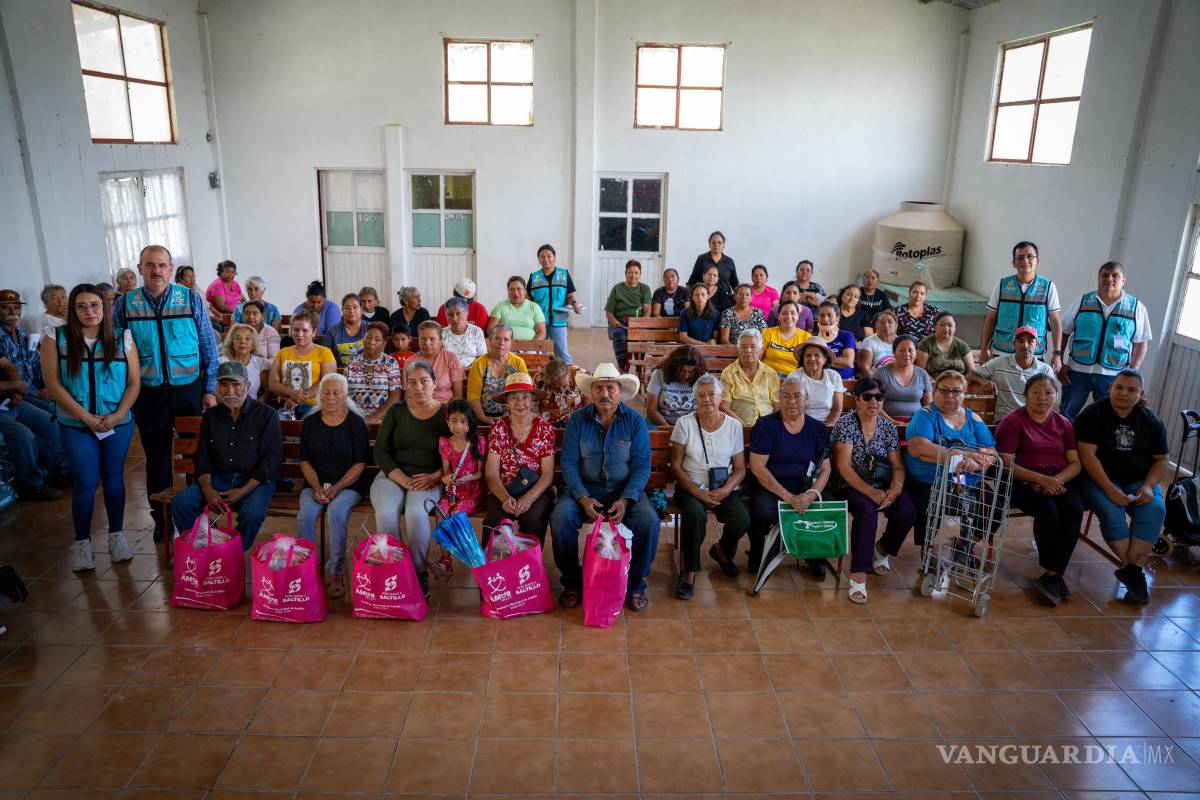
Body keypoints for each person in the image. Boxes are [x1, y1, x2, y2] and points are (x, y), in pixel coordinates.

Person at [114, 245, 220, 540]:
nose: (156, 270)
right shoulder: (125, 305)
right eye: (150, 265)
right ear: (140, 268)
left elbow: (208, 347)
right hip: (149, 394)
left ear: (171, 269)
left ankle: (197, 518)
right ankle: (161, 521)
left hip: (188, 390)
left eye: (162, 265)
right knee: (157, 458)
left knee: (195, 457)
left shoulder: (189, 298)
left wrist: (209, 389)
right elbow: (118, 352)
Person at [39, 284, 140, 569]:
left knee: (114, 479)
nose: (89, 311)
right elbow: (53, 384)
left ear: (105, 307)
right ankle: (82, 543)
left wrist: (119, 414)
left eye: (95, 305)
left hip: (116, 422)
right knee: (84, 482)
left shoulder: (122, 337)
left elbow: (134, 382)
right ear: (72, 310)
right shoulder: (55, 337)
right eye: (81, 306)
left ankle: (116, 536)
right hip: (76, 423)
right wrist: (84, 416)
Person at [551, 364, 658, 612]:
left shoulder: (635, 422)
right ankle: (572, 582)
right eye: (599, 388)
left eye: (611, 388)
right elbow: (568, 463)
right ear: (592, 392)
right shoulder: (578, 420)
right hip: (586, 490)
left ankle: (635, 583)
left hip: (624, 491)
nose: (605, 393)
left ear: (620, 391)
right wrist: (582, 498)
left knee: (648, 521)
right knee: (560, 518)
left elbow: (642, 465)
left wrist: (627, 499)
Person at [881, 370, 996, 570]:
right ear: (935, 391)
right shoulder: (925, 415)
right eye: (945, 391)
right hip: (927, 481)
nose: (950, 396)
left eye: (957, 392)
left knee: (994, 503)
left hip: (966, 482)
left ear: (964, 394)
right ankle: (928, 553)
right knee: (929, 504)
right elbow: (918, 448)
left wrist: (977, 463)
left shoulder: (972, 418)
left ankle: (963, 544)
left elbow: (990, 450)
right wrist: (964, 455)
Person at [1075, 369, 1169, 603]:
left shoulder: (1150, 420)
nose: (1124, 393)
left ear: (1141, 394)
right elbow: (1087, 455)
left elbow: (1161, 460)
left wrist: (1148, 486)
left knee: (1155, 508)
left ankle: (1132, 572)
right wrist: (1109, 488)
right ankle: (1133, 570)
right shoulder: (1094, 414)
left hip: (1138, 480)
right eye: (1119, 387)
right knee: (1111, 510)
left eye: (1131, 389)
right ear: (1110, 388)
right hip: (1099, 479)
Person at [169, 361, 281, 550]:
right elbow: (202, 457)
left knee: (252, 513)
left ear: (247, 385)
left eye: (236, 385)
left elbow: (271, 462)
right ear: (217, 387)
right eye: (224, 385)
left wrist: (242, 491)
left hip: (255, 482)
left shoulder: (266, 415)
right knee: (181, 503)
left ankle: (232, 552)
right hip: (220, 480)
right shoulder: (211, 416)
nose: (230, 391)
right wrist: (208, 490)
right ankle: (209, 543)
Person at [995, 374, 1083, 605]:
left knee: (1073, 510)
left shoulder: (1064, 423)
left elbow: (1075, 463)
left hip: (1059, 481)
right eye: (1036, 392)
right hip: (1022, 482)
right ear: (1026, 395)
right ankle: (1054, 574)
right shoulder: (1013, 422)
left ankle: (1052, 575)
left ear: (1056, 396)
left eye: (1048, 392)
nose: (1042, 397)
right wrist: (1040, 479)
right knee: (1048, 511)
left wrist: (1055, 481)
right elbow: (1005, 463)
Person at [371, 360, 450, 598]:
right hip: (393, 475)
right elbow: (381, 451)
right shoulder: (397, 411)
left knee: (416, 514)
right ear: (406, 385)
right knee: (385, 512)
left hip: (428, 479)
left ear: (435, 383)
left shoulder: (446, 414)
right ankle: (394, 568)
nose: (418, 387)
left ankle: (418, 572)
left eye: (424, 381)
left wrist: (436, 476)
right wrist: (402, 479)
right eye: (412, 382)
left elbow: (455, 454)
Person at [830, 377, 914, 603]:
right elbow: (843, 466)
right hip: (847, 485)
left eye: (878, 397)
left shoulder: (887, 427)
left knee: (906, 510)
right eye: (867, 397)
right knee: (867, 513)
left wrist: (895, 490)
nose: (873, 401)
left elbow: (897, 465)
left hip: (881, 483)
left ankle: (882, 549)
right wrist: (871, 492)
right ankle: (858, 576)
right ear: (857, 400)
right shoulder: (845, 424)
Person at [670, 375, 749, 598]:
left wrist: (725, 490)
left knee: (741, 518)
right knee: (695, 514)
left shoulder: (733, 426)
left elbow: (740, 469)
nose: (707, 400)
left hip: (723, 488)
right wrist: (697, 492)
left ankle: (722, 551)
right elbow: (676, 466)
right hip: (690, 487)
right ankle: (690, 571)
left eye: (711, 394)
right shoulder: (685, 423)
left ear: (720, 397)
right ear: (695, 398)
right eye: (701, 395)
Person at [748, 376, 832, 577]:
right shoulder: (767, 426)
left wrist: (810, 495)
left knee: (826, 502)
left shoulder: (817, 429)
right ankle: (759, 552)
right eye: (786, 397)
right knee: (762, 508)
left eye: (797, 397)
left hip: (806, 487)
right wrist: (790, 498)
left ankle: (814, 554)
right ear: (779, 399)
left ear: (806, 399)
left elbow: (826, 469)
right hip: (772, 486)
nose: (792, 402)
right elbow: (758, 467)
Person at [297, 372, 368, 599]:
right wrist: (317, 487)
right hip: (315, 484)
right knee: (306, 515)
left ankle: (336, 571)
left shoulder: (356, 423)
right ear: (320, 395)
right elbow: (305, 461)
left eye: (336, 392)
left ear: (345, 394)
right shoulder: (310, 423)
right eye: (326, 392)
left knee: (336, 514)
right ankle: (305, 569)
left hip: (347, 486)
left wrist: (335, 488)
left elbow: (359, 464)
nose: (331, 397)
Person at [1059, 261, 1152, 420]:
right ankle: (1064, 444)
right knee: (1067, 414)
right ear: (1098, 279)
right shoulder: (1082, 302)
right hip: (1077, 371)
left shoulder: (1136, 307)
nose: (1109, 279)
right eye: (1105, 275)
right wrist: (1059, 361)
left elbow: (1141, 341)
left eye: (1115, 276)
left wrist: (1132, 371)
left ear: (1123, 281)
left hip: (1114, 375)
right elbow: (1064, 331)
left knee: (1108, 417)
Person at [484, 373, 557, 543]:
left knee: (533, 518)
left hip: (536, 490)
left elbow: (547, 473)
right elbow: (491, 473)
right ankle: (495, 566)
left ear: (532, 400)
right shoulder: (499, 429)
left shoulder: (544, 429)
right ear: (507, 402)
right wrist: (504, 497)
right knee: (495, 519)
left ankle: (528, 566)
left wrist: (528, 498)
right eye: (514, 398)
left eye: (525, 397)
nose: (520, 402)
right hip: (504, 488)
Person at [979, 241, 1063, 370]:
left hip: (1033, 353)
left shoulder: (1048, 287)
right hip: (1002, 352)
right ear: (1014, 263)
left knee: (1031, 389)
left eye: (1030, 256)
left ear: (1037, 261)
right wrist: (984, 349)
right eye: (1020, 257)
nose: (1025, 260)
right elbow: (990, 319)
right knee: (999, 389)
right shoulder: (1002, 285)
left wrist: (1057, 354)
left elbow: (1056, 321)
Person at [0, 353, 64, 500]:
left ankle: (58, 470)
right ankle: (32, 484)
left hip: (12, 401)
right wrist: (14, 386)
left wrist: (16, 390)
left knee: (50, 421)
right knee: (23, 434)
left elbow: (7, 365)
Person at [968, 325, 1054, 422]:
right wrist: (983, 381)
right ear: (1014, 344)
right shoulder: (999, 363)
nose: (1025, 345)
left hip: (1032, 422)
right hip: (1005, 420)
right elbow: (970, 375)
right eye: (1021, 341)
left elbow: (1050, 400)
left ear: (1037, 345)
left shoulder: (1046, 370)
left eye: (1030, 341)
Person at [269, 311, 335, 418]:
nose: (300, 334)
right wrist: (291, 393)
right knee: (276, 423)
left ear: (313, 332)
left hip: (314, 405)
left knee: (309, 426)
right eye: (296, 330)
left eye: (305, 330)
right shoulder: (282, 352)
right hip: (287, 405)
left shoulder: (324, 352)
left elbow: (327, 381)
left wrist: (299, 398)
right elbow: (273, 384)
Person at [527, 244, 580, 363]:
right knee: (539, 353)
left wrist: (575, 304)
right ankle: (540, 378)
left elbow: (570, 295)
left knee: (562, 354)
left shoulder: (564, 274)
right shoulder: (534, 277)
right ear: (538, 259)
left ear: (554, 257)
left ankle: (567, 378)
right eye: (542, 257)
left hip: (559, 320)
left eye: (549, 256)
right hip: (539, 322)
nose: (546, 259)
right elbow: (528, 299)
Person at [0, 289, 51, 410]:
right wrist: (37, 393)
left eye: (17, 307)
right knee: (51, 413)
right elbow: (8, 373)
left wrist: (46, 387)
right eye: (5, 308)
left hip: (36, 390)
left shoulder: (24, 334)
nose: (13, 312)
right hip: (14, 395)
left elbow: (37, 362)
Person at [344, 321, 402, 424]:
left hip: (381, 418)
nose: (372, 342)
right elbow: (344, 394)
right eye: (369, 337)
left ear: (384, 343)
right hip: (353, 417)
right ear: (363, 339)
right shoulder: (352, 363)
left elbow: (395, 397)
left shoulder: (390, 363)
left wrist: (374, 417)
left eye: (377, 339)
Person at [467, 324, 528, 420]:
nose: (501, 343)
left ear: (511, 343)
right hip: (482, 415)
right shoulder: (479, 364)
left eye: (506, 339)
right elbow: (473, 396)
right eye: (497, 338)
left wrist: (509, 415)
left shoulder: (518, 363)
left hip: (513, 415)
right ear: (490, 340)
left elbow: (524, 393)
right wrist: (483, 418)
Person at [720, 329, 779, 426]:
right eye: (743, 347)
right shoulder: (728, 373)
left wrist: (771, 425)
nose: (748, 350)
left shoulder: (771, 374)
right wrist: (742, 426)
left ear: (760, 350)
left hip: (768, 426)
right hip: (739, 426)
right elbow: (724, 407)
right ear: (738, 350)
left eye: (753, 347)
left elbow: (777, 405)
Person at [438, 399, 487, 516]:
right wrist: (446, 479)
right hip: (452, 492)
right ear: (447, 422)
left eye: (463, 421)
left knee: (456, 515)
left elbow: (481, 473)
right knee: (440, 511)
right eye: (453, 421)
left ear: (470, 422)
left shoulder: (479, 442)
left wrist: (469, 478)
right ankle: (443, 535)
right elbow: (446, 472)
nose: (458, 426)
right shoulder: (444, 442)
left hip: (472, 493)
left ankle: (456, 535)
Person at [604, 259, 652, 370]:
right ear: (625, 273)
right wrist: (615, 322)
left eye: (636, 273)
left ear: (640, 275)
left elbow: (647, 310)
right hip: (619, 324)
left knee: (641, 338)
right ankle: (623, 367)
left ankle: (640, 367)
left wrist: (641, 324)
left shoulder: (644, 289)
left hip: (638, 324)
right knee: (619, 336)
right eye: (630, 272)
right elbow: (609, 312)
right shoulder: (617, 288)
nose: (633, 275)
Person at [873, 336, 932, 423]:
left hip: (917, 423)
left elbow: (928, 406)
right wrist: (893, 422)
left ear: (916, 353)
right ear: (894, 352)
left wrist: (917, 422)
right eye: (902, 350)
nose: (907, 354)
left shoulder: (922, 374)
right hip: (885, 422)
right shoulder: (881, 373)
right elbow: (875, 404)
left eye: (910, 350)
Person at [646, 345, 706, 429]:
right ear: (674, 367)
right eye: (682, 370)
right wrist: (668, 428)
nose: (686, 375)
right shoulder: (659, 373)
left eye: (691, 372)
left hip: (692, 425)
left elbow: (707, 409)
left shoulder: (702, 377)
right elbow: (651, 410)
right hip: (661, 422)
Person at [788, 339, 844, 425]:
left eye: (817, 355)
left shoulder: (834, 376)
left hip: (827, 424)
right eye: (808, 355)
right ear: (803, 358)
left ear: (825, 359)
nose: (812, 358)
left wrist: (827, 427)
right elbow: (792, 409)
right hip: (800, 424)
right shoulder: (795, 376)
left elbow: (837, 409)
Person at [413, 320, 464, 405]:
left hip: (446, 409)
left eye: (432, 339)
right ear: (418, 340)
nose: (427, 343)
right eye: (423, 338)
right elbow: (408, 397)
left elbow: (458, 395)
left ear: (440, 340)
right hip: (418, 410)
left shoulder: (451, 358)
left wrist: (446, 412)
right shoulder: (411, 362)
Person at [916, 312, 974, 380]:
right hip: (933, 385)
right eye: (942, 325)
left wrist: (960, 384)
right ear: (935, 327)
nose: (946, 328)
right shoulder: (925, 344)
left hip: (959, 386)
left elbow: (971, 373)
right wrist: (935, 384)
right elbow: (921, 372)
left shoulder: (962, 346)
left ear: (955, 328)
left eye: (950, 325)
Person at [688, 231, 738, 310]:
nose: (716, 245)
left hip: (724, 300)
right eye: (713, 242)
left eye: (719, 242)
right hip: (704, 299)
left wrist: (738, 300)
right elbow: (692, 280)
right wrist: (690, 300)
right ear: (709, 244)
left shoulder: (729, 261)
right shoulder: (702, 259)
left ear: (723, 244)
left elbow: (735, 283)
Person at [219, 323, 270, 399]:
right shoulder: (221, 362)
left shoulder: (261, 364)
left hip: (252, 407)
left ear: (253, 343)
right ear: (231, 342)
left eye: (247, 338)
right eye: (238, 338)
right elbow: (216, 392)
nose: (243, 342)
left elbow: (267, 393)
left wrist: (256, 408)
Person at [489, 276, 546, 341]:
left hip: (529, 348)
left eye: (519, 289)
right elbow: (491, 330)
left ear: (525, 291)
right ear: (508, 292)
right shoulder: (500, 306)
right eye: (512, 289)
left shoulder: (534, 307)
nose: (515, 293)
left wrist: (531, 347)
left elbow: (541, 332)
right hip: (504, 347)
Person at [761, 301, 810, 375]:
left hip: (793, 380)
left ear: (798, 316)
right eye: (784, 313)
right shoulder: (767, 333)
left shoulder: (806, 337)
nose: (789, 316)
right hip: (767, 376)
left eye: (792, 313)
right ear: (778, 316)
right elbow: (757, 358)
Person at [440, 297, 487, 368]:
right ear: (446, 316)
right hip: (447, 373)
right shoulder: (442, 333)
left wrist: (469, 370)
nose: (454, 319)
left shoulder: (476, 331)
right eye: (450, 314)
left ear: (466, 314)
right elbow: (438, 359)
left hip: (472, 372)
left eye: (458, 314)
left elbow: (482, 357)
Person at [814, 301, 856, 379]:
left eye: (829, 315)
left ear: (837, 317)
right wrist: (838, 359)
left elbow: (848, 362)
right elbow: (812, 363)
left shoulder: (847, 336)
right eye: (822, 315)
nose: (825, 319)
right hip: (820, 380)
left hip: (844, 381)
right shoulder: (814, 338)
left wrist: (821, 360)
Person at [325, 293, 367, 367]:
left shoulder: (371, 328)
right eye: (347, 308)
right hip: (340, 374)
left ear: (362, 309)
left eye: (355, 307)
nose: (351, 311)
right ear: (342, 310)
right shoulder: (332, 331)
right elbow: (326, 358)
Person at [856, 309, 900, 378]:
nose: (886, 325)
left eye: (890, 322)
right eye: (882, 322)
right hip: (877, 380)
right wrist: (878, 384)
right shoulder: (869, 341)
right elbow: (864, 369)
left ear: (896, 325)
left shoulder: (902, 342)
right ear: (876, 325)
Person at [539, 356, 583, 425]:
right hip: (551, 425)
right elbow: (540, 410)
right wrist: (551, 412)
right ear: (549, 381)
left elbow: (583, 407)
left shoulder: (576, 385)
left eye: (565, 386)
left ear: (569, 377)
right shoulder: (544, 390)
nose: (561, 389)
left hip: (574, 423)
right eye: (557, 387)